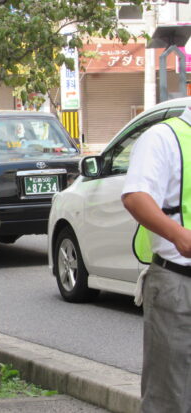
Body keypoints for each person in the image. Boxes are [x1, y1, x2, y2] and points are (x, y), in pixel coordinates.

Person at [121, 106, 191, 413]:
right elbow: (136, 195)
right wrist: (177, 234)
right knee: (170, 396)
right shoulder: (164, 137)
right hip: (179, 283)